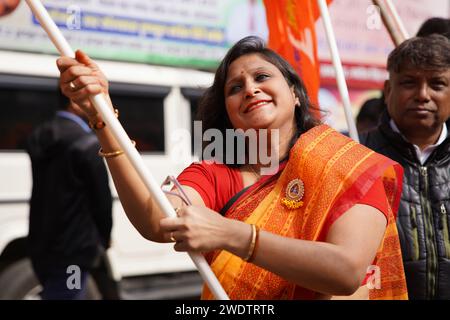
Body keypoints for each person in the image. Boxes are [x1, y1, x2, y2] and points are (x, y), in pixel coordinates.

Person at [56, 36, 408, 300]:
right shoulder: (216, 174)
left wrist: (234, 235)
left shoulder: (344, 164)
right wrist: (101, 117)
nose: (251, 90)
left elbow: (347, 271)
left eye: (262, 77)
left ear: (295, 93)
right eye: (235, 88)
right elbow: (158, 220)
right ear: (228, 114)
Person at [361, 34, 450, 299]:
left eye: (437, 84)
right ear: (388, 90)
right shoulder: (355, 155)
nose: (423, 95)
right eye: (409, 83)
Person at [26, 92, 116, 300]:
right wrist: (104, 237)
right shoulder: (87, 143)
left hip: (40, 244)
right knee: (70, 295)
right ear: (75, 103)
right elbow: (101, 199)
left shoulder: (38, 135)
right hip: (74, 250)